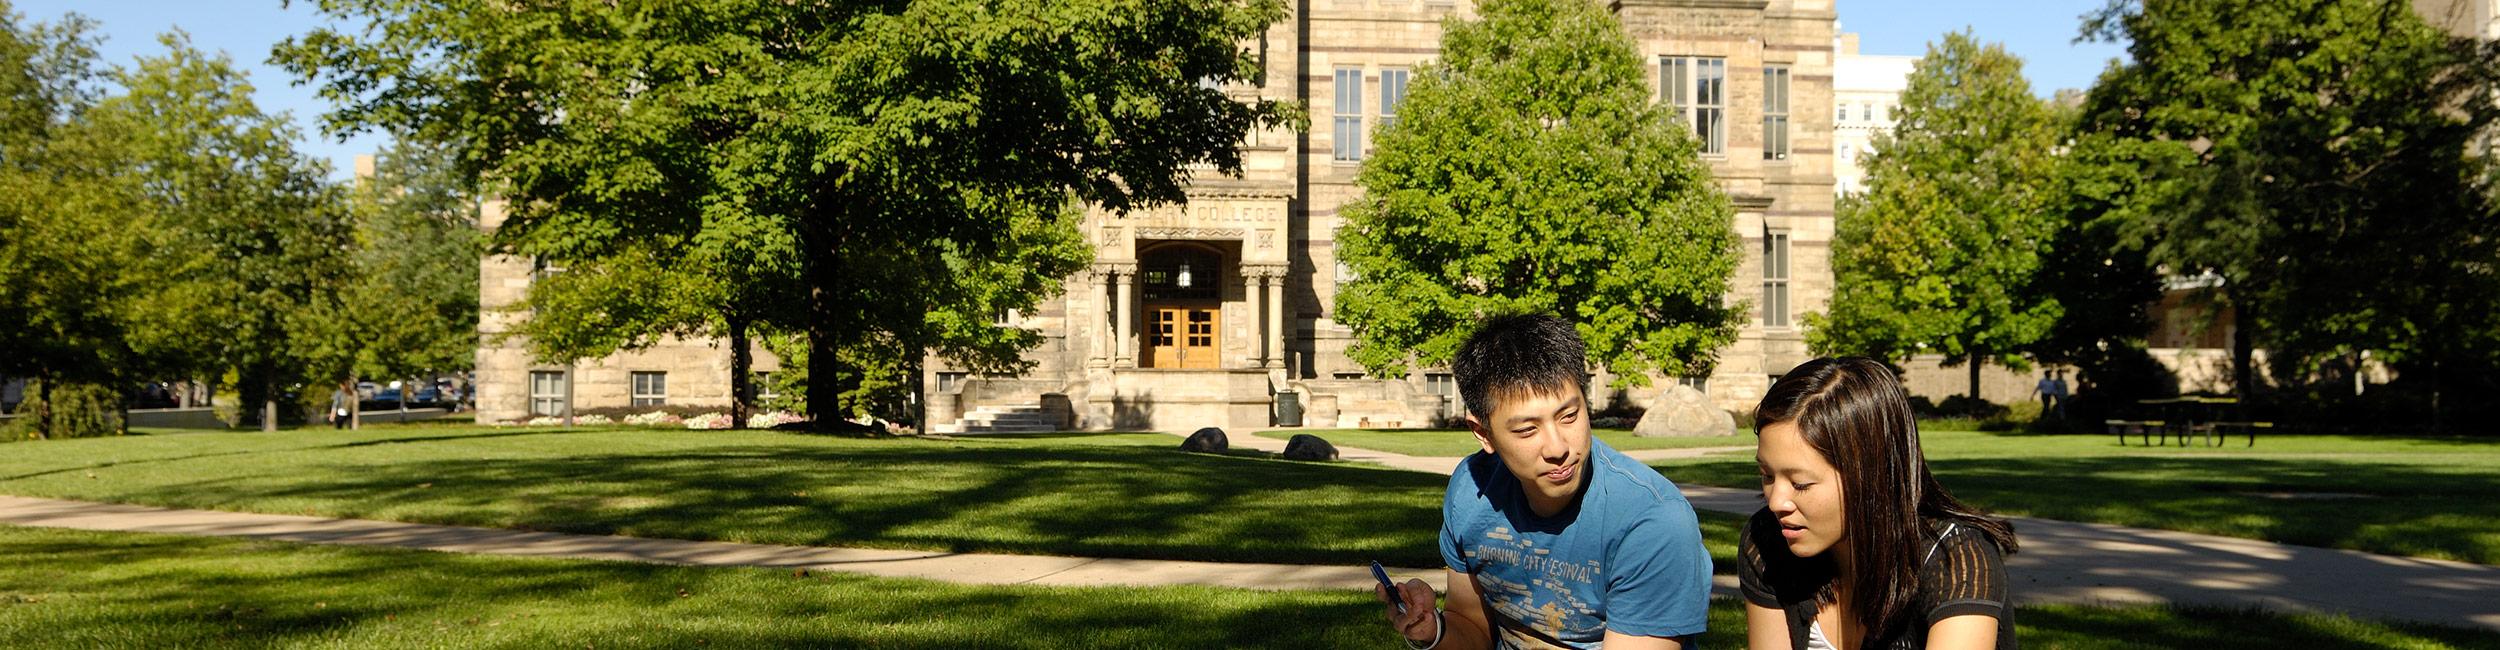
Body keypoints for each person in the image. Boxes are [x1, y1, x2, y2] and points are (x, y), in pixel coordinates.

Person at [1377, 314, 1712, 649]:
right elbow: (1471, 626)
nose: (1558, 448)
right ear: (1483, 433)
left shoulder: (1653, 522)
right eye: (1527, 429)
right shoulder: (1471, 491)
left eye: (1569, 416)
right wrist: (1432, 630)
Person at [1742, 357, 2019, 650]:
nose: (1776, 502)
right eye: (1767, 475)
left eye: (1801, 484)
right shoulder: (1768, 539)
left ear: (1870, 475)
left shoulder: (1955, 560)